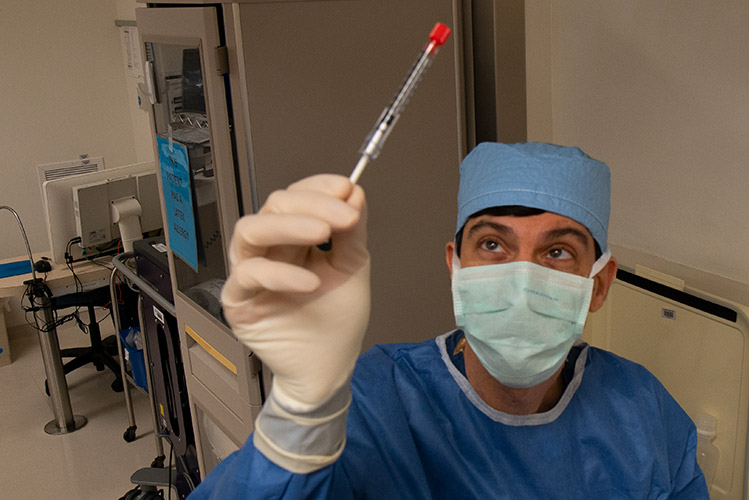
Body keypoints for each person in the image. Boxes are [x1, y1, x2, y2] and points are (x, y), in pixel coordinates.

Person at [190, 142, 708, 499]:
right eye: (492, 244)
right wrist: (300, 408)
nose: (522, 277)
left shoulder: (644, 415)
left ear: (597, 283)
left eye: (556, 253)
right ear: (454, 266)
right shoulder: (374, 404)